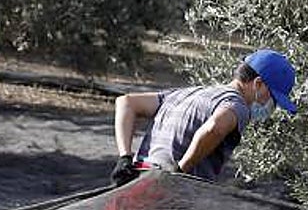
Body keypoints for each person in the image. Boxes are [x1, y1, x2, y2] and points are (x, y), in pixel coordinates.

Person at [109, 49, 297, 187]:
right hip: (164, 196)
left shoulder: (188, 94)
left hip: (135, 180)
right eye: (272, 99)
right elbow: (215, 127)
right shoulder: (238, 105)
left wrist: (125, 157)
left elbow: (127, 103)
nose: (269, 106)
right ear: (258, 84)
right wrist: (181, 170)